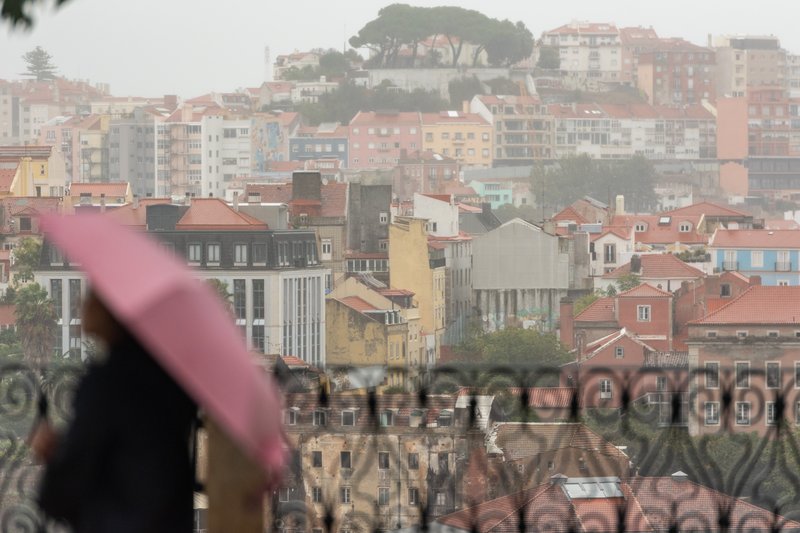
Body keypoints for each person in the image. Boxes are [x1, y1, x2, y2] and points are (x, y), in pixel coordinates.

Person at [30, 290, 198, 532]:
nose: (81, 303)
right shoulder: (170, 378)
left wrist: (52, 455)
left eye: (92, 298)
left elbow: (66, 488)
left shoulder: (107, 382)